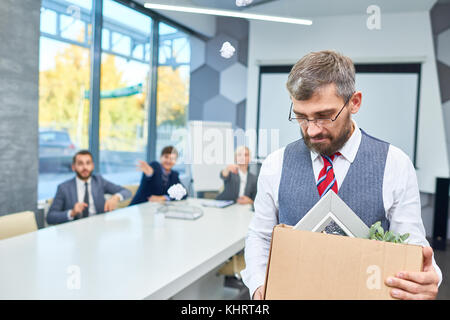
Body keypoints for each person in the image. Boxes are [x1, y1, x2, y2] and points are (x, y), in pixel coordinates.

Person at [241, 50, 442, 300]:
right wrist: (259, 285)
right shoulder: (275, 164)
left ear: (354, 102)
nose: (312, 130)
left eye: (325, 116)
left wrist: (426, 279)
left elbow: (413, 247)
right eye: (302, 117)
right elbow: (260, 236)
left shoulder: (396, 164)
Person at [47, 150, 132, 225]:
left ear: (93, 165)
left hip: (99, 228)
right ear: (73, 167)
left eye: (88, 163)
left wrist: (116, 198)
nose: (85, 167)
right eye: (80, 163)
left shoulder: (99, 181)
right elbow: (50, 217)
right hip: (75, 232)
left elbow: (127, 192)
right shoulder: (64, 188)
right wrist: (72, 212)